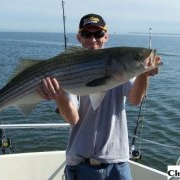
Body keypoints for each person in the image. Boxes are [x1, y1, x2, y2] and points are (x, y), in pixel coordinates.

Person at [36, 13, 161, 180]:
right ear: (79, 38)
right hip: (81, 165)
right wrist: (58, 95)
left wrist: (143, 74)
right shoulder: (66, 70)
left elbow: (135, 100)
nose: (93, 39)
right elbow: (72, 118)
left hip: (118, 165)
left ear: (106, 37)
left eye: (98, 34)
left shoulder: (120, 67)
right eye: (87, 34)